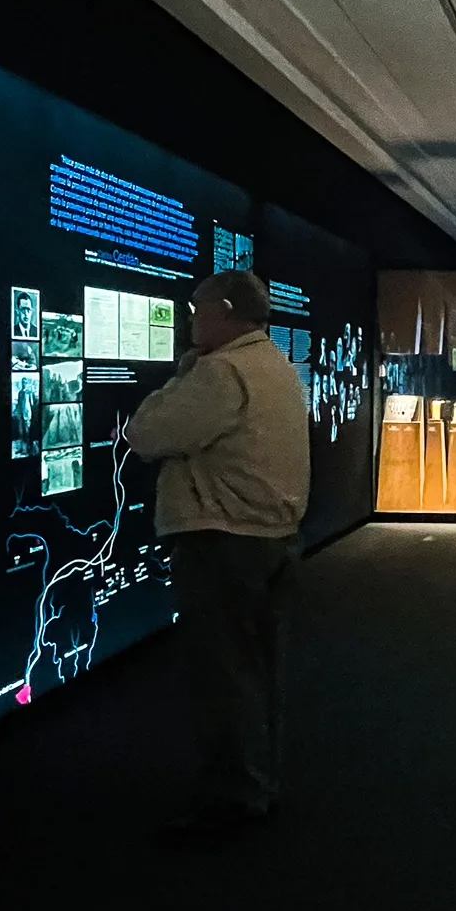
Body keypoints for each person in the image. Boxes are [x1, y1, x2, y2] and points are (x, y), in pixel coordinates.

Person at [125, 270, 310, 840]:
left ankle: (235, 798)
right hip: (272, 538)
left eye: (197, 308)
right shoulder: (273, 365)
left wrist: (182, 376)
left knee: (225, 674)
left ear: (225, 309)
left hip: (225, 541)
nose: (190, 320)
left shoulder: (221, 372)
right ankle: (258, 782)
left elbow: (146, 434)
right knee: (258, 670)